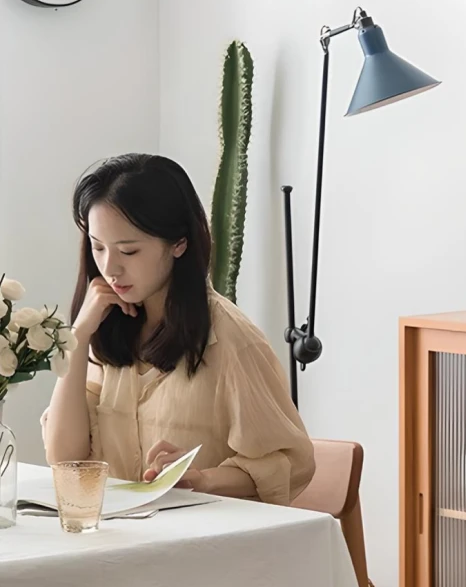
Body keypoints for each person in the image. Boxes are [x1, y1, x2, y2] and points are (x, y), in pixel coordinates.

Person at [41, 154, 316, 505]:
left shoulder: (231, 341)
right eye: (98, 248)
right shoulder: (108, 328)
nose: (110, 268)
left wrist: (201, 479)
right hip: (122, 539)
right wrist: (78, 338)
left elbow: (291, 463)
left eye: (129, 250)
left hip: (201, 546)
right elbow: (66, 460)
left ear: (179, 243)